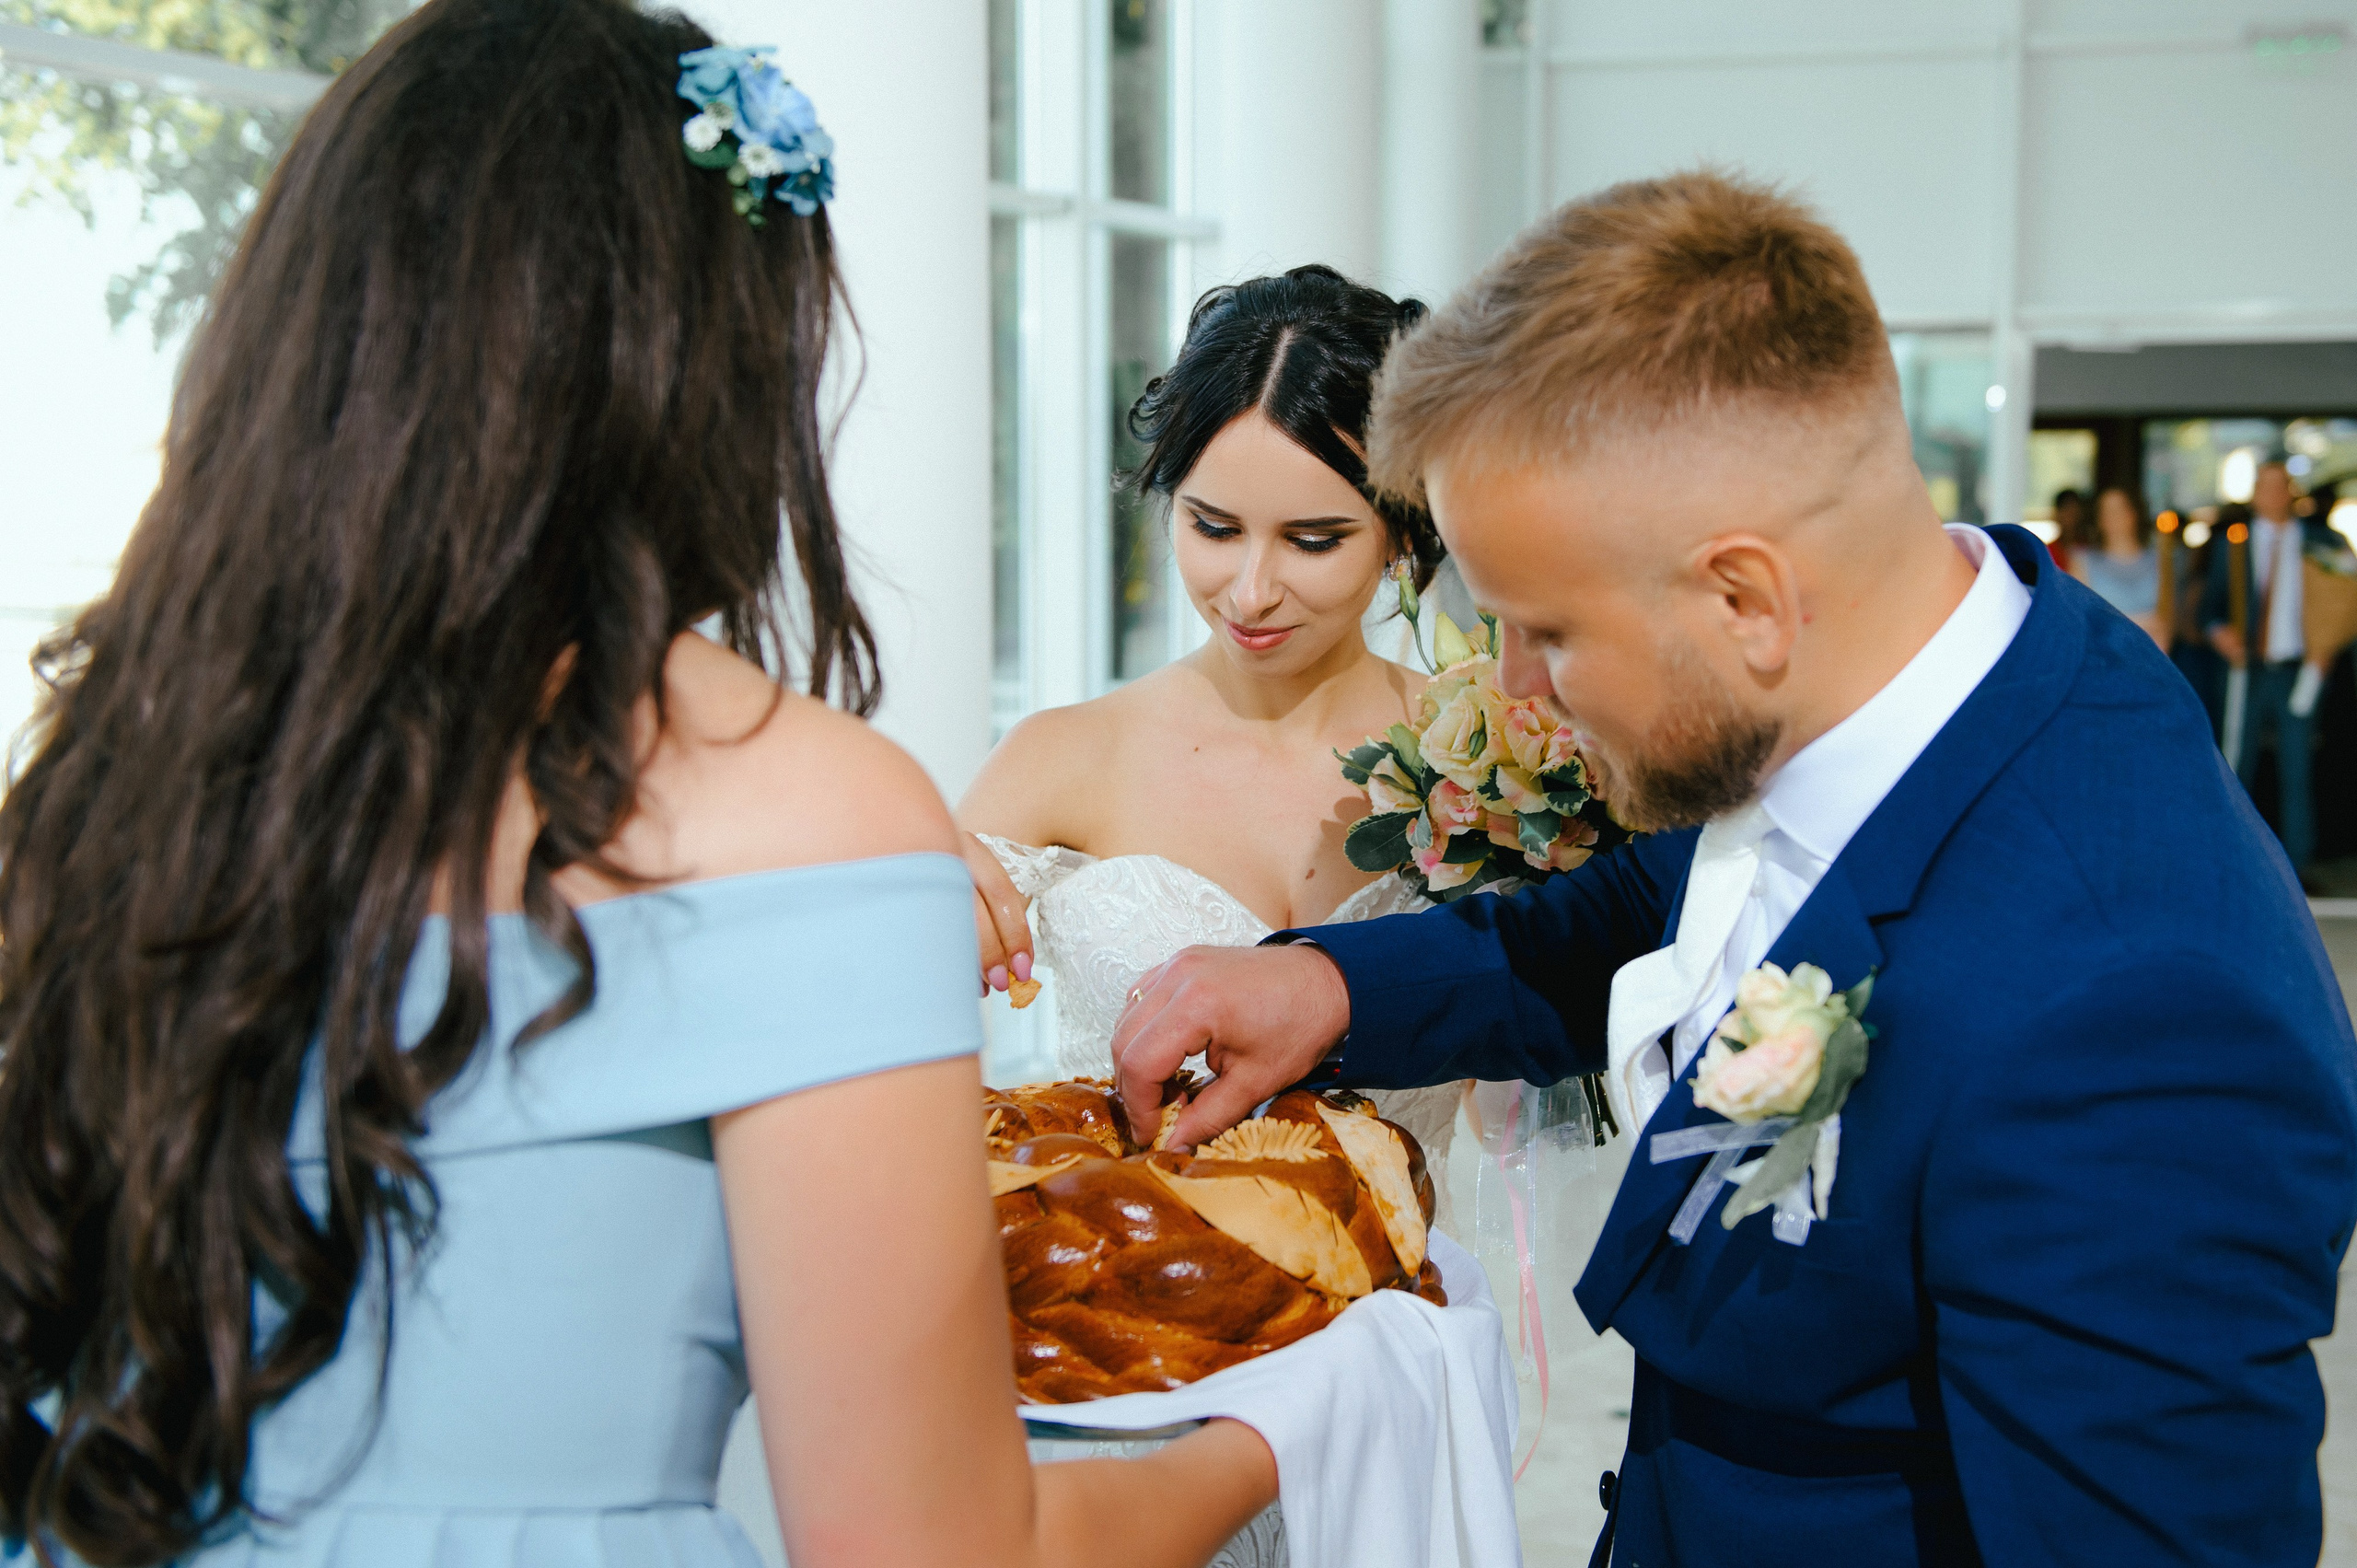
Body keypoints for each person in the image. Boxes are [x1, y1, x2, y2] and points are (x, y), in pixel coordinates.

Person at [0, 3, 1286, 1563]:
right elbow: (932, 1547)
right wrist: (1268, 1438)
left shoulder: (105, 789)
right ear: (713, 363)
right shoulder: (797, 804)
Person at [1107, 169, 2357, 1566]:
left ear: (1745, 597)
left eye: (1549, 630)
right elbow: (1665, 906)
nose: (1514, 686)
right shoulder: (1887, 686)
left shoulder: (2133, 1011)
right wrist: (1332, 986)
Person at [958, 265, 1466, 1197]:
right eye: (1214, 526)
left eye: (1313, 539)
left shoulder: (1487, 764)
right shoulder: (1060, 757)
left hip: (1416, 1309)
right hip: (1138, 1311)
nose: (1250, 590)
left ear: (1400, 528)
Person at [2203, 459, 2336, 881]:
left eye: (2281, 486)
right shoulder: (2233, 543)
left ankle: (2297, 866)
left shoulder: (2318, 542)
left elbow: (2339, 602)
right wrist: (2220, 634)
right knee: (2236, 762)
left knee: (2297, 769)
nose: (2272, 495)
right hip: (2246, 670)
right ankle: (2237, 860)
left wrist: (2326, 648)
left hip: (2297, 667)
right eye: (2264, 486)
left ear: (2292, 492)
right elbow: (2211, 606)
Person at [2071, 485, 2164, 645]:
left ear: (2134, 513)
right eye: (2105, 511)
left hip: (2153, 655)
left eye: (2119, 509)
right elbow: (2077, 620)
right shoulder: (2082, 561)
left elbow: (2168, 621)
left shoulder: (2160, 560)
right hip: (2104, 658)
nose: (2113, 517)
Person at [2048, 485, 2087, 572]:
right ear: (2057, 514)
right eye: (2066, 511)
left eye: (2073, 512)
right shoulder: (2048, 553)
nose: (2070, 517)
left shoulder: (2089, 550)